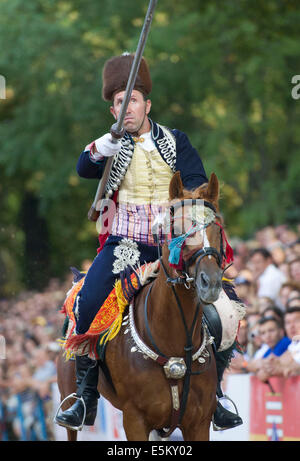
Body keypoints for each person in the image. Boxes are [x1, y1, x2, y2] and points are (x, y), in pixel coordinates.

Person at [55, 53, 242, 432]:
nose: (127, 108)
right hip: (126, 245)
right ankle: (85, 397)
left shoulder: (177, 140)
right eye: (119, 103)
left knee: (228, 310)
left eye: (133, 100)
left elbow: (196, 183)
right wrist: (105, 145)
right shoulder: (108, 146)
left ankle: (216, 395)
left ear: (146, 105)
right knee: (88, 303)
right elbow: (83, 168)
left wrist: (182, 209)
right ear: (113, 110)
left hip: (174, 245)